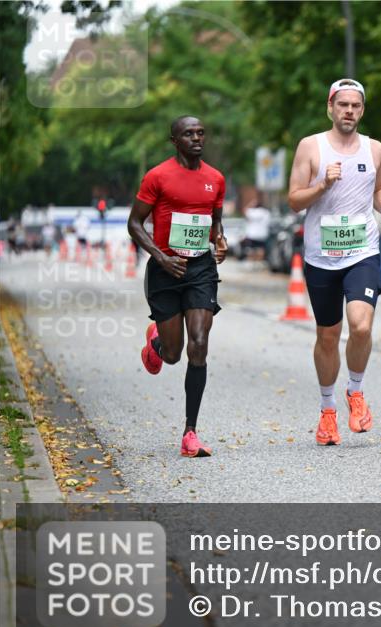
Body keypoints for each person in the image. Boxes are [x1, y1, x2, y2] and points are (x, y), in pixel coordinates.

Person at [287, 78, 381, 446]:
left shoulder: (375, 149)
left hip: (362, 251)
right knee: (327, 335)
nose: (349, 111)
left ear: (362, 110)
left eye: (355, 105)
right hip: (321, 256)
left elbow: (377, 189)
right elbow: (294, 200)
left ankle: (355, 390)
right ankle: (327, 410)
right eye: (342, 105)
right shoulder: (311, 147)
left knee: (361, 326)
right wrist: (322, 184)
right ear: (330, 108)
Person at [127, 115, 228, 458]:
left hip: (200, 268)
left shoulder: (215, 178)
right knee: (173, 355)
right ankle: (157, 342)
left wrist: (220, 240)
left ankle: (190, 432)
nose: (197, 138)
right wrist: (160, 257)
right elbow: (134, 223)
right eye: (188, 134)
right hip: (165, 269)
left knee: (198, 344)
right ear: (175, 140)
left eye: (201, 133)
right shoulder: (157, 176)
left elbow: (215, 220)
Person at [244, 197, 271, 262]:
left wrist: (250, 204)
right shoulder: (266, 212)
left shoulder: (252, 211)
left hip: (252, 234)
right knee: (261, 249)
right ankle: (259, 261)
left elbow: (245, 210)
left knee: (250, 249)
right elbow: (268, 222)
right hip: (262, 234)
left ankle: (251, 261)